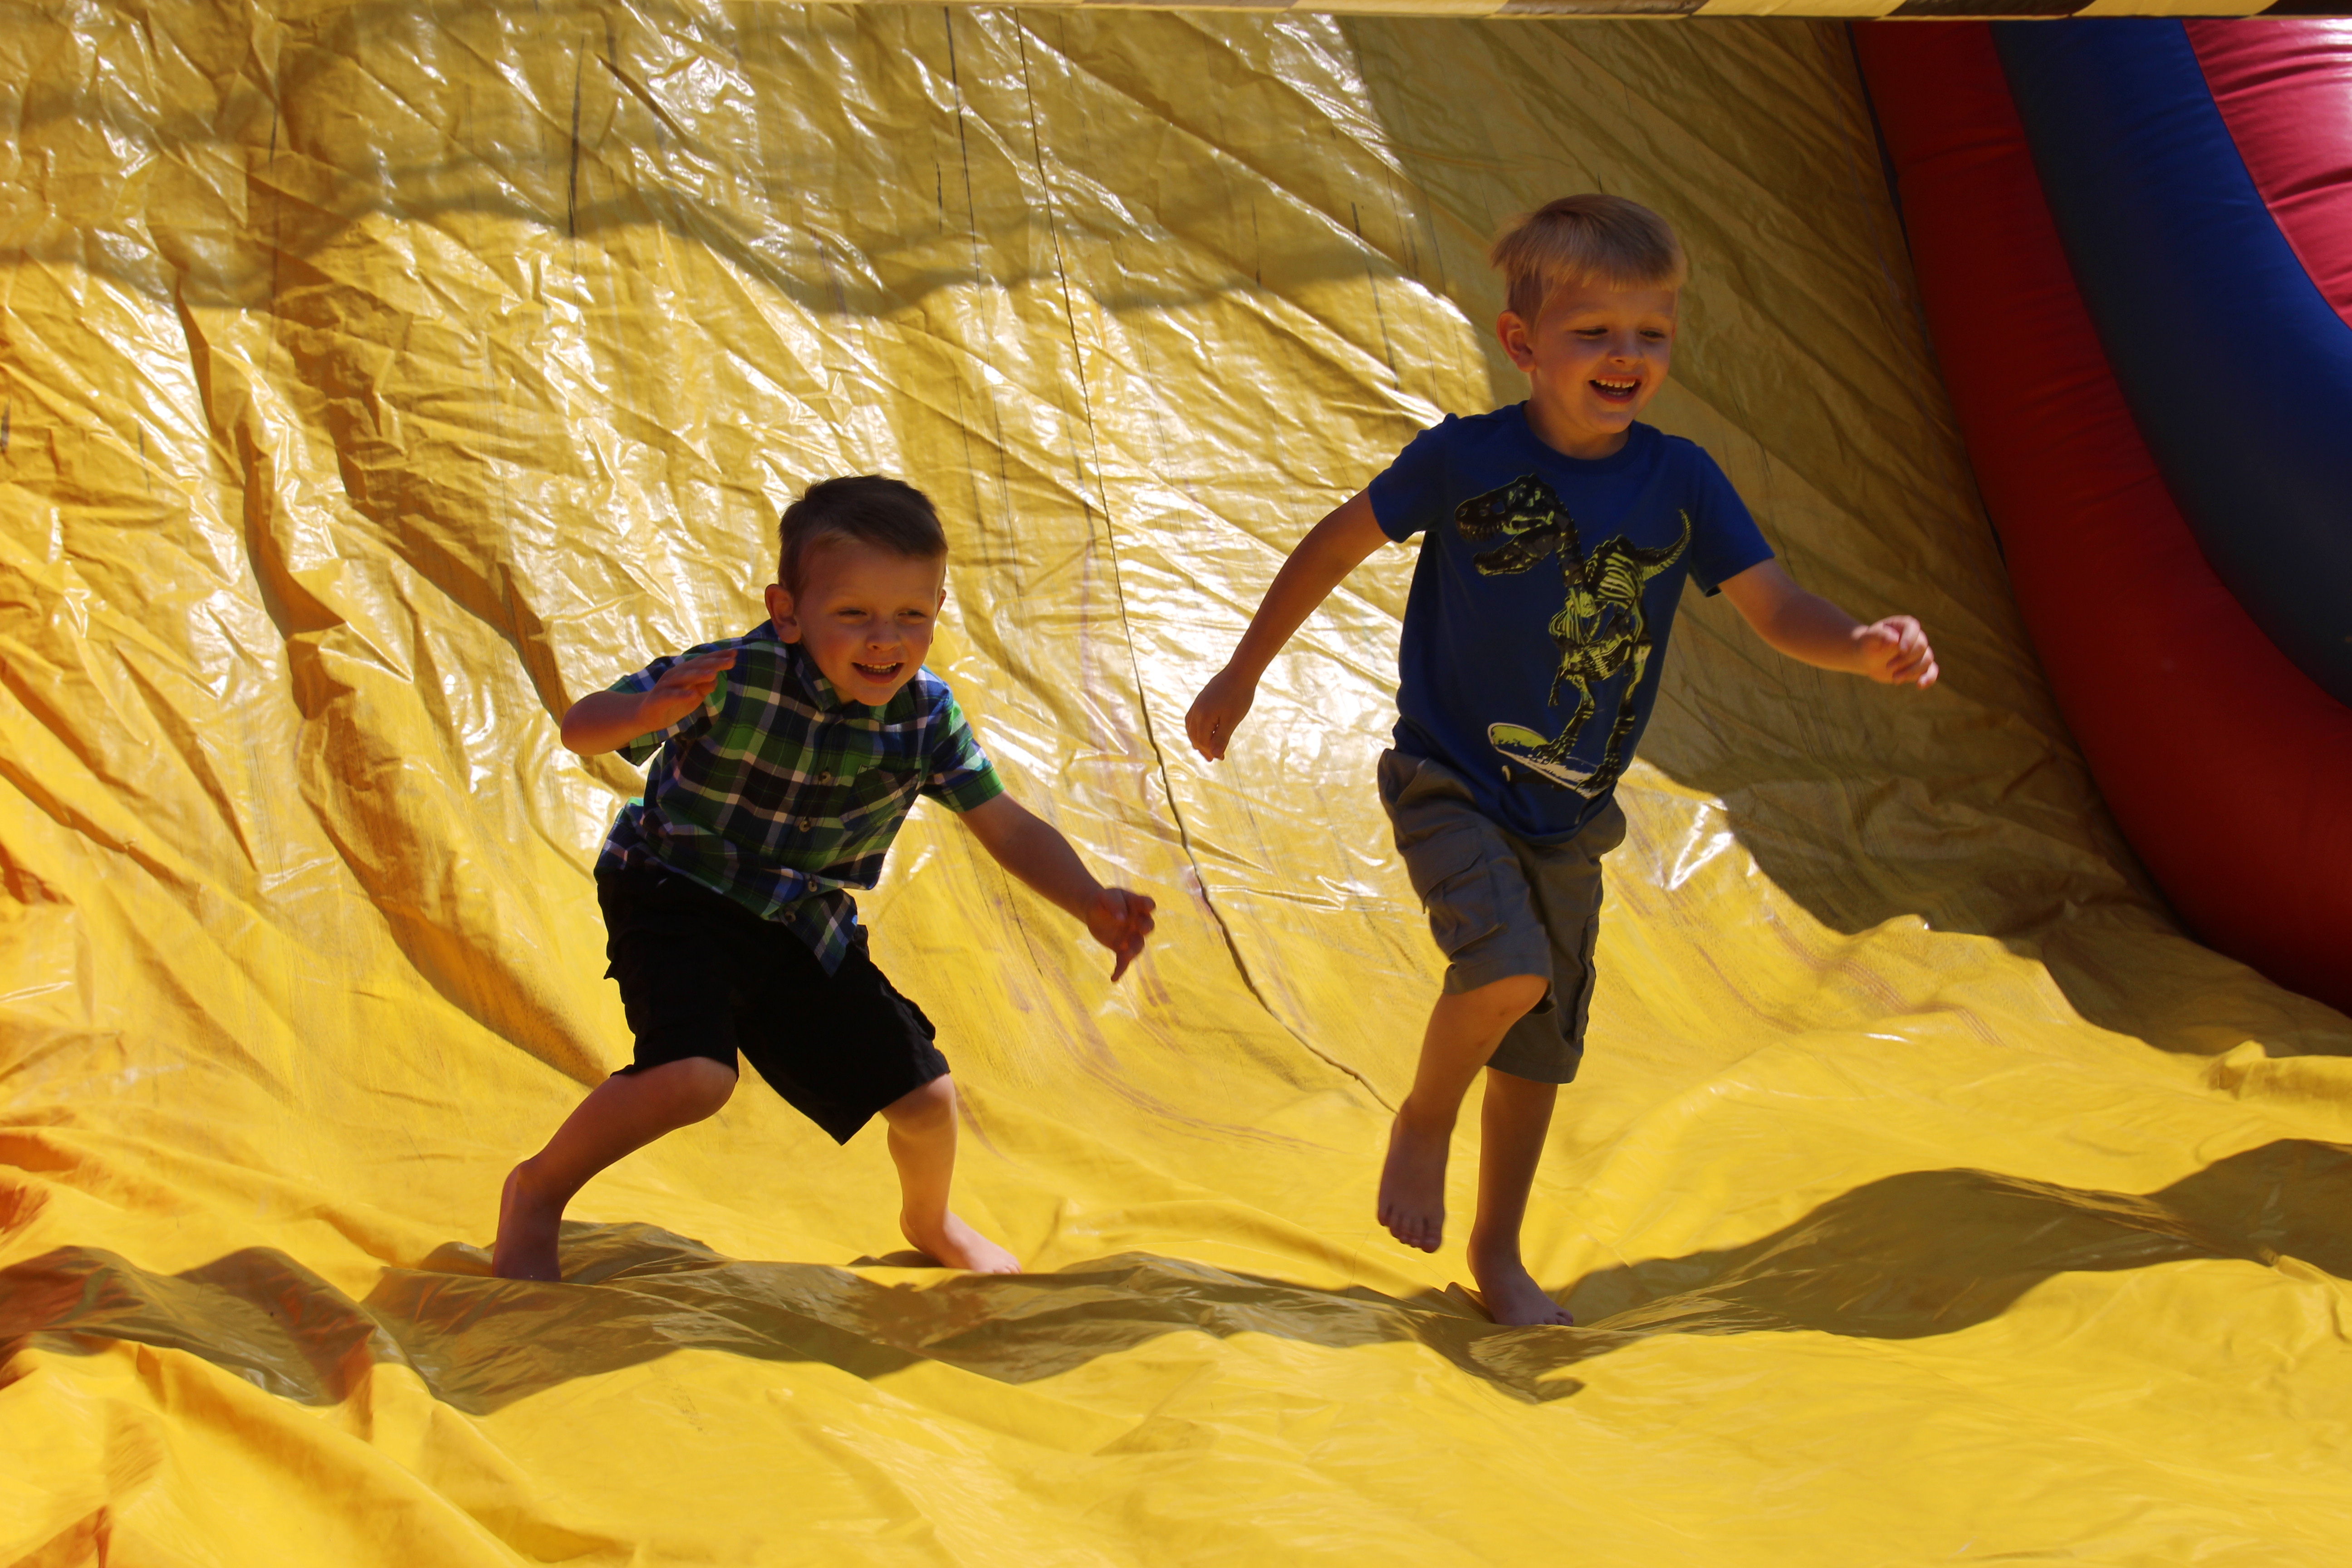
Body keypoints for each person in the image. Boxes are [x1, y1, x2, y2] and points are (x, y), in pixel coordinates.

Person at [1183, 195, 1938, 1327]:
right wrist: (1242, 671)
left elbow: (1777, 608)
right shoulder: (1465, 462)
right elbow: (1337, 541)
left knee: (1542, 1041)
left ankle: (1498, 1254)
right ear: (1522, 345)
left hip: (1572, 813)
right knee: (1505, 971)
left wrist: (1860, 647)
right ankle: (1425, 1117)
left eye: (1652, 335)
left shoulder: (1681, 481)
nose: (1627, 357)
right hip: (1452, 780)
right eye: (1595, 333)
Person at [494, 475, 1156, 1281]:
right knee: (694, 1075)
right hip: (675, 888)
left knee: (927, 1101)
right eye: (854, 614)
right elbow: (579, 726)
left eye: (912, 614)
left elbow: (1005, 823)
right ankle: (537, 1191)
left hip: (800, 918)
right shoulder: (730, 674)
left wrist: (1090, 899)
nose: (886, 639)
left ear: (939, 607)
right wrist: (643, 716)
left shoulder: (926, 718)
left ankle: (931, 1219)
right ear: (789, 611)